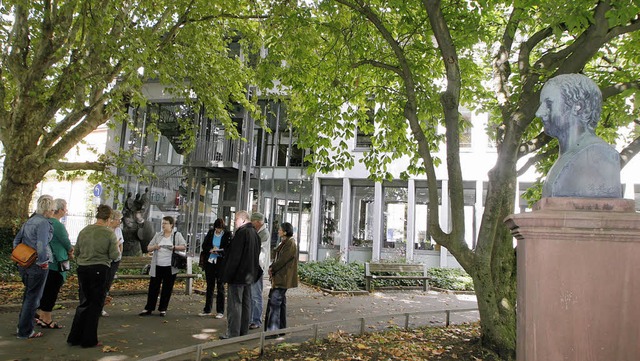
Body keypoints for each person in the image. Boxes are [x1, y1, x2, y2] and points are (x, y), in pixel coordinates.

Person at [536, 73, 622, 198]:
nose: (539, 113)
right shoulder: (565, 158)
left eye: (549, 104)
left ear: (578, 107)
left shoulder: (599, 154)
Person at [67, 205, 119, 348]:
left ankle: (74, 336)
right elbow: (115, 255)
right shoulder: (109, 234)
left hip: (83, 268)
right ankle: (89, 339)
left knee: (84, 302)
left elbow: (76, 251)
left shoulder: (84, 231)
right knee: (95, 304)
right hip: (100, 269)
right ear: (108, 219)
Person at [13, 195, 55, 339]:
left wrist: (21, 256)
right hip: (37, 264)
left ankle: (22, 326)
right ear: (48, 209)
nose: (53, 212)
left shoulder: (29, 221)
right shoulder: (43, 223)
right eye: (53, 209)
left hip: (24, 263)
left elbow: (16, 240)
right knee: (33, 298)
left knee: (28, 296)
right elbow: (41, 244)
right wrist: (42, 261)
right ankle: (25, 331)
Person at [220, 210, 261, 339]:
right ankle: (243, 331)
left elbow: (234, 257)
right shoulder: (254, 233)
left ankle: (233, 332)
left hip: (237, 276)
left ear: (243, 220)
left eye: (236, 219)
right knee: (246, 303)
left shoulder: (241, 233)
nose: (234, 222)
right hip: (249, 275)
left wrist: (227, 275)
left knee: (235, 305)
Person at [138, 216, 186, 317]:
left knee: (167, 288)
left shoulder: (177, 235)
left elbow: (184, 246)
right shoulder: (158, 235)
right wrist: (155, 247)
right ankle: (149, 308)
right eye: (162, 223)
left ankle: (163, 309)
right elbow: (148, 248)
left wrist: (174, 247)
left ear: (171, 225)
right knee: (153, 287)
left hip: (170, 266)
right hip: (157, 265)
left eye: (165, 223)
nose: (163, 225)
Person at [36, 198, 73, 329]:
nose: (66, 211)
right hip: (57, 262)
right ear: (60, 210)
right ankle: (47, 318)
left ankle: (41, 316)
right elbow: (66, 242)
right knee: (52, 290)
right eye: (66, 208)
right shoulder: (57, 224)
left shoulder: (42, 222)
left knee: (45, 289)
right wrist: (70, 251)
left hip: (44, 261)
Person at [264, 222, 298, 335]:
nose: (278, 231)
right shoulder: (285, 242)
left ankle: (272, 331)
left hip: (282, 277)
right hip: (280, 277)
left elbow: (283, 260)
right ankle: (281, 329)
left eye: (280, 229)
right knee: (280, 303)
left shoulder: (290, 243)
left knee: (275, 303)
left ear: (285, 231)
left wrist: (272, 268)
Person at [198, 218, 232, 318]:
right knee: (210, 286)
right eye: (217, 229)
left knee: (220, 286)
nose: (218, 231)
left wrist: (220, 252)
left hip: (220, 262)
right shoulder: (211, 232)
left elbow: (228, 248)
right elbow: (204, 245)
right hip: (210, 262)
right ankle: (207, 309)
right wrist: (210, 250)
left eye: (220, 229)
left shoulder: (227, 234)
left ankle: (220, 311)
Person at [249, 212, 270, 330]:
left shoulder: (264, 234)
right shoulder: (259, 232)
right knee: (253, 294)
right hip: (255, 267)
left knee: (256, 294)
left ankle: (256, 319)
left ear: (257, 222)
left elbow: (259, 250)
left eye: (252, 221)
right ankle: (253, 318)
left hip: (257, 267)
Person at [102, 209, 124, 317]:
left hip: (115, 260)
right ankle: (98, 306)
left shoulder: (118, 230)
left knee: (108, 283)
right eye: (118, 219)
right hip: (106, 260)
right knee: (102, 282)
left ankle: (102, 306)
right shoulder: (105, 230)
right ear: (112, 219)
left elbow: (121, 243)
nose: (119, 222)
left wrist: (119, 255)